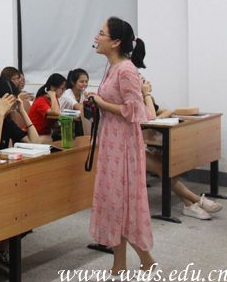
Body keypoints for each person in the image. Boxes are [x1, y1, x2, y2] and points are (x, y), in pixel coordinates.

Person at [88, 16, 156, 277]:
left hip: (123, 145)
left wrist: (101, 103)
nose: (96, 37)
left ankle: (138, 262)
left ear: (115, 42)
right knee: (114, 202)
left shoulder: (126, 70)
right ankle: (124, 264)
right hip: (111, 141)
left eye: (101, 33)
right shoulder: (113, 67)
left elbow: (135, 110)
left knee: (122, 202)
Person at [141, 80, 222, 220]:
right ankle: (197, 200)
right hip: (129, 149)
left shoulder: (145, 100)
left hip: (143, 145)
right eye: (143, 80)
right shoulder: (134, 100)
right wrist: (146, 93)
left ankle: (189, 205)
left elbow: (166, 111)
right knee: (163, 168)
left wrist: (150, 102)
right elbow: (151, 118)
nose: (148, 83)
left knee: (167, 164)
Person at [28, 73, 66, 138]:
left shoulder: (53, 99)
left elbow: (55, 117)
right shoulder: (41, 100)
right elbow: (55, 112)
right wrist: (53, 95)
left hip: (46, 133)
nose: (63, 92)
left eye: (64, 89)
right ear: (52, 87)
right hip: (35, 135)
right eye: (62, 88)